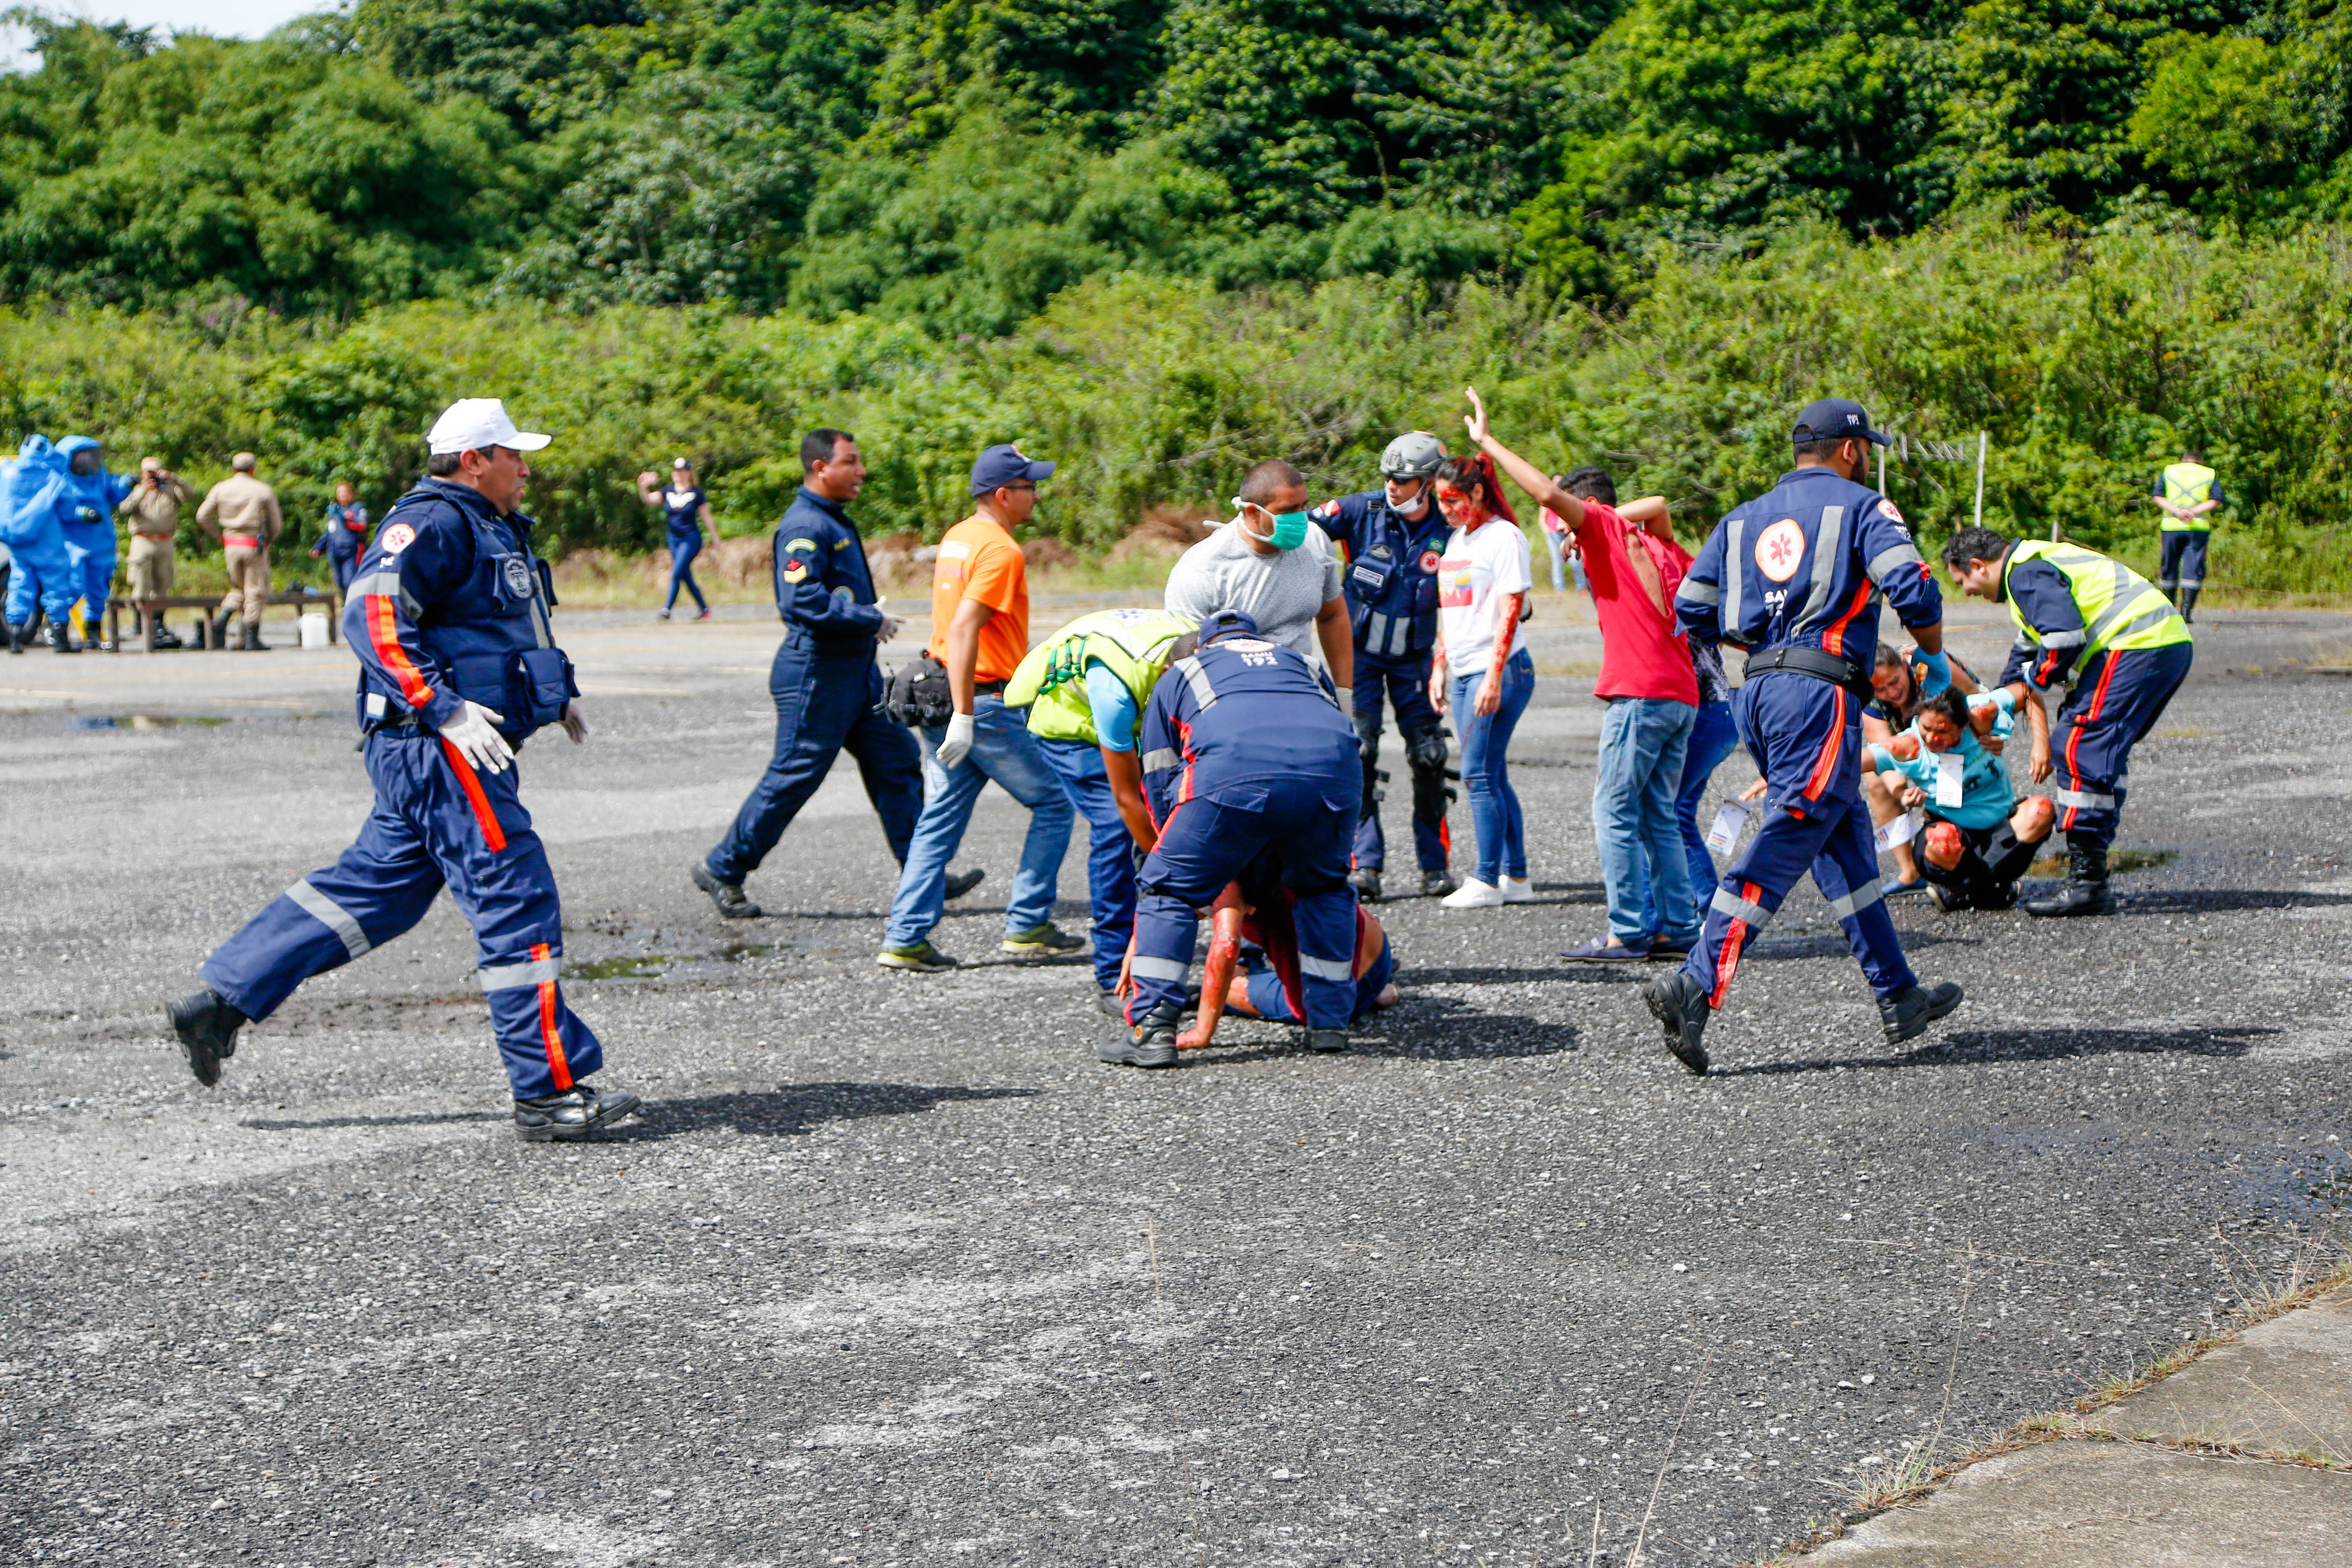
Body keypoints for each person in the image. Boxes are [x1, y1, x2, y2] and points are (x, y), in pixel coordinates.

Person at [166, 399, 639, 1142]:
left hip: (436, 751)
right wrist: (442, 707)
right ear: (474, 460)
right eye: (514, 455)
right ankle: (548, 1093)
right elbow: (373, 618)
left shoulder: (484, 522)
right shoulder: (432, 522)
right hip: (442, 751)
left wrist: (554, 696)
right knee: (516, 899)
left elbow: (499, 627)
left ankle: (222, 1002)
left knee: (375, 894)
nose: (526, 468)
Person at [1641, 396, 1966, 1075]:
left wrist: (1759, 653)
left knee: (1843, 842)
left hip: (1759, 692)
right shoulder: (1864, 507)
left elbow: (1691, 610)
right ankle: (1696, 984)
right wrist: (1933, 652)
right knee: (1792, 827)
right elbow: (1914, 589)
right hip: (1820, 696)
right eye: (1866, 449)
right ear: (1850, 450)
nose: (1867, 459)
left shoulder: (1738, 519)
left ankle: (1898, 994)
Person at [693, 429, 969, 920]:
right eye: (851, 462)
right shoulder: (806, 524)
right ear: (821, 468)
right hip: (816, 675)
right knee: (795, 777)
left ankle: (923, 873)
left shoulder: (832, 518)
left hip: (855, 672)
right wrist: (869, 619)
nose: (861, 471)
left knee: (896, 762)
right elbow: (799, 599)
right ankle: (724, 868)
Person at [1472, 428, 1705, 956]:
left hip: (1640, 696)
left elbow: (1547, 494)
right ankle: (1678, 927)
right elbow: (1658, 506)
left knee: (1613, 812)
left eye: (1566, 528)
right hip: (1681, 697)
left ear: (1589, 509)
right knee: (1657, 814)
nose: (1566, 540)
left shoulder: (1602, 528)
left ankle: (1627, 930)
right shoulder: (1662, 545)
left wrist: (1487, 442)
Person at [1102, 611, 1362, 1068]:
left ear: (1205, 645)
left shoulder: (1182, 672)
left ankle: (1152, 1030)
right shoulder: (1303, 663)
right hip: (1334, 782)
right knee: (1324, 889)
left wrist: (1174, 854)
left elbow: (1160, 777)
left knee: (1167, 890)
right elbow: (1338, 730)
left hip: (1231, 781)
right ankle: (1329, 1024)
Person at [877, 444, 1080, 971]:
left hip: (943, 693)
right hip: (981, 701)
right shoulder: (1001, 550)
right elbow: (965, 627)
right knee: (1056, 803)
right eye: (1030, 487)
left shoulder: (959, 537)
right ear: (1003, 494)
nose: (1037, 496)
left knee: (938, 820)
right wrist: (966, 716)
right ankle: (1028, 923)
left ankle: (905, 937)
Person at [1942, 526, 2193, 916]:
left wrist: (2036, 679)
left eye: (1964, 582)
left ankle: (2088, 883)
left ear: (1979, 565)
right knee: (2098, 752)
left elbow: (2063, 640)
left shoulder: (2026, 572)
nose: (1968, 592)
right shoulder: (2029, 571)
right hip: (2157, 643)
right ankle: (2091, 875)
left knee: (2079, 745)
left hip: (2137, 643)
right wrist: (1997, 712)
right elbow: (2024, 657)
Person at [1007, 606, 1196, 1011]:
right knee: (1117, 829)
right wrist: (1172, 872)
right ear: (1166, 676)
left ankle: (1157, 950)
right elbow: (1126, 800)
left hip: (1137, 710)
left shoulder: (1196, 649)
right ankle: (1114, 977)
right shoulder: (1116, 688)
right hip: (1070, 721)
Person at [1308, 431, 1459, 902]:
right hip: (1360, 659)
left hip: (1416, 659)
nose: (1392, 486)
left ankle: (1435, 866)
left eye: (1403, 479)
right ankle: (1364, 865)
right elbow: (1299, 532)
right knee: (1359, 751)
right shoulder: (1362, 510)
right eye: (1389, 477)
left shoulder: (1449, 524)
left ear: (1429, 483)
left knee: (1430, 756)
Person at [1423, 437, 1537, 910]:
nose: (1446, 510)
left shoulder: (1503, 537)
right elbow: (1452, 612)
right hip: (1465, 670)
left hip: (1501, 671)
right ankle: (1517, 876)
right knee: (1492, 772)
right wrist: (1439, 666)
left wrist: (1493, 675)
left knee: (1477, 773)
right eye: (1440, 501)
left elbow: (1512, 610)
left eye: (1453, 500)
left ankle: (1488, 880)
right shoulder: (1457, 540)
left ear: (1477, 493)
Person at [1862, 686, 2056, 913]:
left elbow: (2028, 691)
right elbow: (1852, 760)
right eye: (1926, 728)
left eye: (1943, 731)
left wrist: (2042, 745)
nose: (1931, 738)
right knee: (1942, 840)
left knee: (2042, 810)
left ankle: (1965, 891)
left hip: (2000, 825)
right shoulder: (1910, 745)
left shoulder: (1980, 717)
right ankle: (1988, 889)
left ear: (1963, 727)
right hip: (1951, 832)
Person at [1164, 458, 1354, 686]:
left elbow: (1333, 616)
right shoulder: (1201, 571)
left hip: (1302, 690)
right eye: (1289, 511)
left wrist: (1344, 691)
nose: (1301, 518)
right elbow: (1184, 660)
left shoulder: (1315, 543)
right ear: (1253, 512)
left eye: (1304, 506)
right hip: (1235, 694)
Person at [1177, 876, 1400, 1050]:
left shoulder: (1229, 873)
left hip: (1331, 1000)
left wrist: (1202, 1032)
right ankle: (1379, 990)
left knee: (1225, 987)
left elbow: (1227, 945)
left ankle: (1363, 999)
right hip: (1376, 952)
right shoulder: (1290, 842)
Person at [1863, 640, 1983, 894]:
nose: (1891, 693)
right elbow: (1885, 756)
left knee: (1949, 782)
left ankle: (1963, 867)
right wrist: (1901, 793)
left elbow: (1976, 699)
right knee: (1875, 780)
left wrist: (1985, 737)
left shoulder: (1928, 666)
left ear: (1902, 665)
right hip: (1909, 731)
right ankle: (1911, 872)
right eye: (1880, 689)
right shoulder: (1869, 698)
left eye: (1894, 682)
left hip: (1957, 726)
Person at [3, 435, 91, 653]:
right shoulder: (51, 476)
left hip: (17, 543)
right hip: (47, 542)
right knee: (56, 587)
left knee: (20, 585)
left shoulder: (7, 471)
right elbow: (68, 508)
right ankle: (60, 639)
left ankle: (15, 637)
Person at [196, 452, 284, 652]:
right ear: (253, 469)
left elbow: (202, 516)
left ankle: (224, 616)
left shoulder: (221, 488)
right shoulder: (262, 489)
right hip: (253, 544)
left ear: (234, 468)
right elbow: (276, 524)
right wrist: (269, 540)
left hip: (231, 544)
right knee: (255, 589)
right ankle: (252, 638)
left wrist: (218, 535)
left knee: (238, 587)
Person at [53, 437, 134, 650]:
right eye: (81, 457)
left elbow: (113, 492)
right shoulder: (60, 480)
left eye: (90, 456)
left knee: (99, 588)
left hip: (101, 543)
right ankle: (58, 630)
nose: (87, 461)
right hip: (74, 545)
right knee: (73, 586)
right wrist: (81, 513)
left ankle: (93, 632)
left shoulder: (99, 477)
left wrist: (126, 484)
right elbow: (59, 508)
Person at [121, 457, 195, 649]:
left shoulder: (171, 489)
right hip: (143, 539)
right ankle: (140, 624)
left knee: (163, 583)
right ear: (143, 473)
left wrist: (174, 479)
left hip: (165, 540)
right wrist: (142, 491)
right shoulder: (138, 489)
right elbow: (124, 509)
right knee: (141, 583)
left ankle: (159, 623)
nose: (153, 476)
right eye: (150, 473)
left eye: (157, 472)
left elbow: (190, 494)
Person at [638, 458, 714, 621]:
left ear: (689, 473)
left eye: (682, 471)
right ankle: (705, 610)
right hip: (674, 539)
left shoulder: (696, 493)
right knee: (685, 576)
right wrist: (643, 487)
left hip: (691, 539)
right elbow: (649, 499)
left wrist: (716, 538)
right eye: (677, 471)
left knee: (677, 572)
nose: (679, 474)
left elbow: (706, 516)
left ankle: (667, 610)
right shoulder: (668, 491)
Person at [2152, 448, 2222, 622]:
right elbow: (2216, 500)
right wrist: (2192, 512)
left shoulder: (2169, 471)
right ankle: (2186, 612)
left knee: (2169, 567)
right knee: (2194, 568)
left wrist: (2177, 512)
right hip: (2198, 528)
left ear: (2183, 460)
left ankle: (2169, 611)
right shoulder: (2210, 473)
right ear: (2200, 461)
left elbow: (2158, 497)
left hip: (2171, 527)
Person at [309, 481, 370, 597]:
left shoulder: (358, 508)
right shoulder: (334, 511)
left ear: (351, 494)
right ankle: (343, 603)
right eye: (340, 493)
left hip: (351, 551)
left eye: (345, 492)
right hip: (334, 551)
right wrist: (318, 548)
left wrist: (345, 517)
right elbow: (329, 532)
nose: (342, 495)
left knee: (350, 581)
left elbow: (362, 525)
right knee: (339, 582)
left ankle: (352, 604)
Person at [1538, 484, 1590, 595]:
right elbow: (1542, 518)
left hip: (1569, 532)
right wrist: (1546, 530)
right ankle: (1560, 589)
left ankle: (1582, 587)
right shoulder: (1547, 499)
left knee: (1576, 561)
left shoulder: (1567, 498)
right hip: (1554, 534)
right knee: (1558, 561)